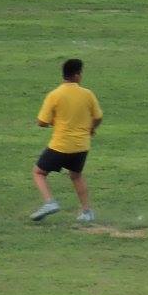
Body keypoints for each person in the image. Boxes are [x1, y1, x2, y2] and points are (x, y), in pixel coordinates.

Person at [30, 58, 102, 223]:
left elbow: (42, 122)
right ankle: (87, 212)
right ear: (76, 75)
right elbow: (98, 117)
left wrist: (54, 120)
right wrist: (91, 129)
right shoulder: (87, 94)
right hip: (82, 145)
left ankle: (50, 202)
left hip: (61, 145)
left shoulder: (55, 95)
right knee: (76, 176)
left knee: (39, 172)